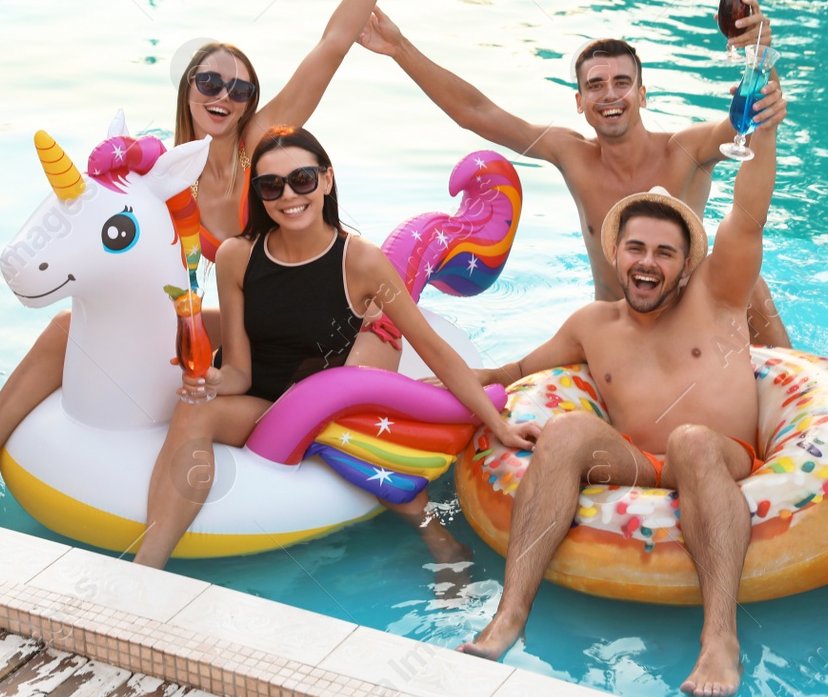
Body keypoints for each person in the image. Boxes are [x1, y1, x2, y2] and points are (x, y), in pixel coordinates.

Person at [0, 0, 419, 511]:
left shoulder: (259, 152)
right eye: (210, 81)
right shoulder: (153, 176)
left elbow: (333, 43)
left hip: (291, 333)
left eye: (239, 90)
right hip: (232, 326)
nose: (224, 97)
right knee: (64, 326)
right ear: (187, 86)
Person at [454, 109, 782, 697]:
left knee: (690, 439)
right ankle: (510, 614)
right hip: (639, 462)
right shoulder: (592, 323)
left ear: (686, 266)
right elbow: (515, 372)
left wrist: (765, 130)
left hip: (720, 455)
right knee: (569, 429)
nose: (647, 262)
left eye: (664, 252)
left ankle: (719, 640)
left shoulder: (718, 294)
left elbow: (749, 213)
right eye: (636, 248)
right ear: (616, 255)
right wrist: (446, 381)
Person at [138, 127, 542, 568]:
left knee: (354, 435)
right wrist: (214, 380)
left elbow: (433, 349)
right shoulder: (238, 255)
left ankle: (439, 540)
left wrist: (496, 425)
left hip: (323, 405)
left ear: (327, 180)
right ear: (259, 195)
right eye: (271, 185)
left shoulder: (361, 261)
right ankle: (147, 570)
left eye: (303, 179)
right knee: (193, 410)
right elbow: (240, 371)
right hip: (259, 402)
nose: (288, 195)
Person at [356, 6, 792, 347]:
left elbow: (752, 120)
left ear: (642, 94)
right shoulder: (572, 155)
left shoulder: (686, 151)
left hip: (690, 326)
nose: (610, 95)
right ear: (579, 101)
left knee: (750, 282)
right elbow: (477, 114)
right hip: (617, 331)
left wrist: (760, 56)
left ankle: (809, 395)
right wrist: (400, 48)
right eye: (596, 85)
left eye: (622, 83)